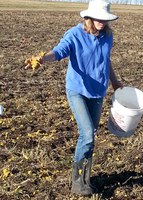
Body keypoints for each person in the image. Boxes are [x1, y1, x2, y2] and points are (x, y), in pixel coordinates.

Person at [25, 0, 123, 196]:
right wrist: (43, 59)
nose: (102, 22)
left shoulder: (107, 36)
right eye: (98, 18)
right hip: (77, 90)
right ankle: (77, 181)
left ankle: (86, 177)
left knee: (91, 135)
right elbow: (59, 51)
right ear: (89, 16)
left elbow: (106, 61)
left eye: (105, 18)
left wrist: (115, 83)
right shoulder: (75, 34)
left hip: (97, 92)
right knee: (86, 133)